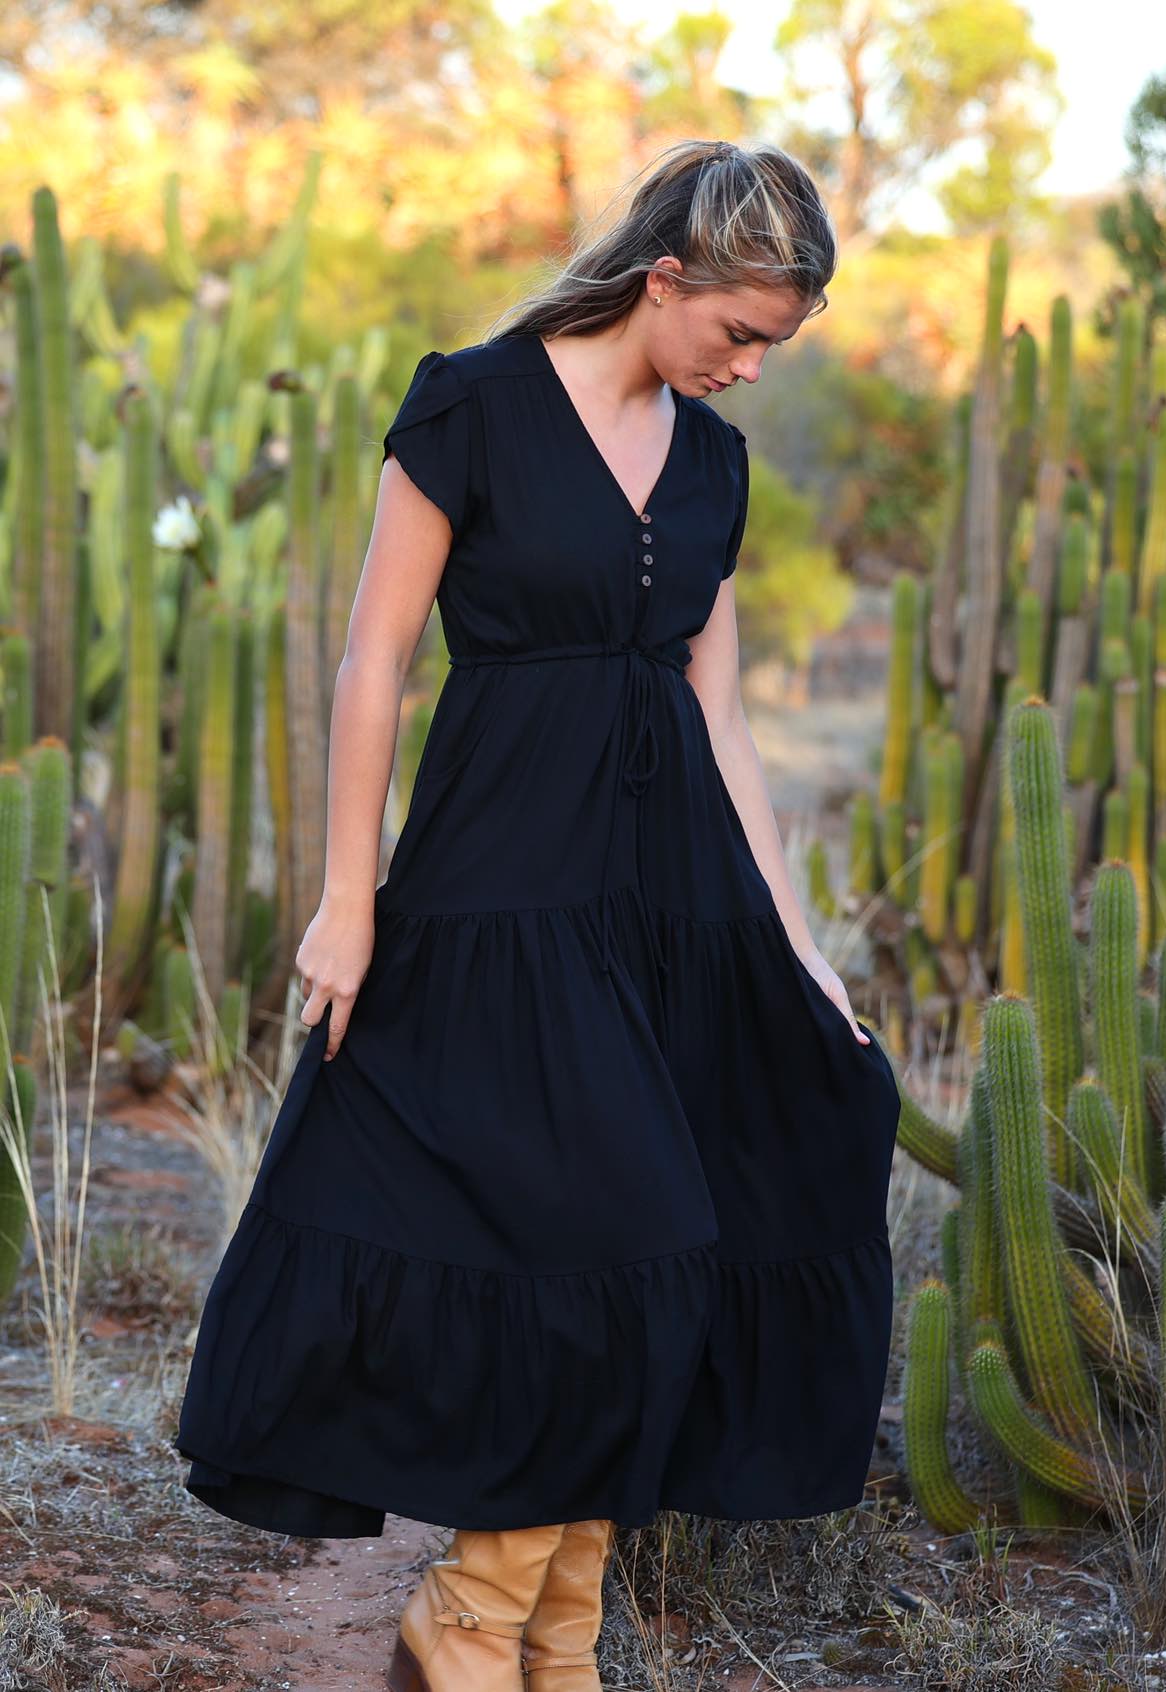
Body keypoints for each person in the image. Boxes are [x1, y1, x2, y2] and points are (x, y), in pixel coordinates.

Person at [172, 137, 902, 1692]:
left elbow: (721, 712)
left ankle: (541, 1626)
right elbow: (374, 661)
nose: (754, 370)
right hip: (504, 887)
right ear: (668, 278)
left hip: (673, 898)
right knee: (615, 1236)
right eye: (742, 332)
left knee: (694, 1232)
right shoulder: (474, 403)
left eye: (778, 346)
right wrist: (345, 898)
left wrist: (792, 936)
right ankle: (476, 1616)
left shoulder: (713, 464)